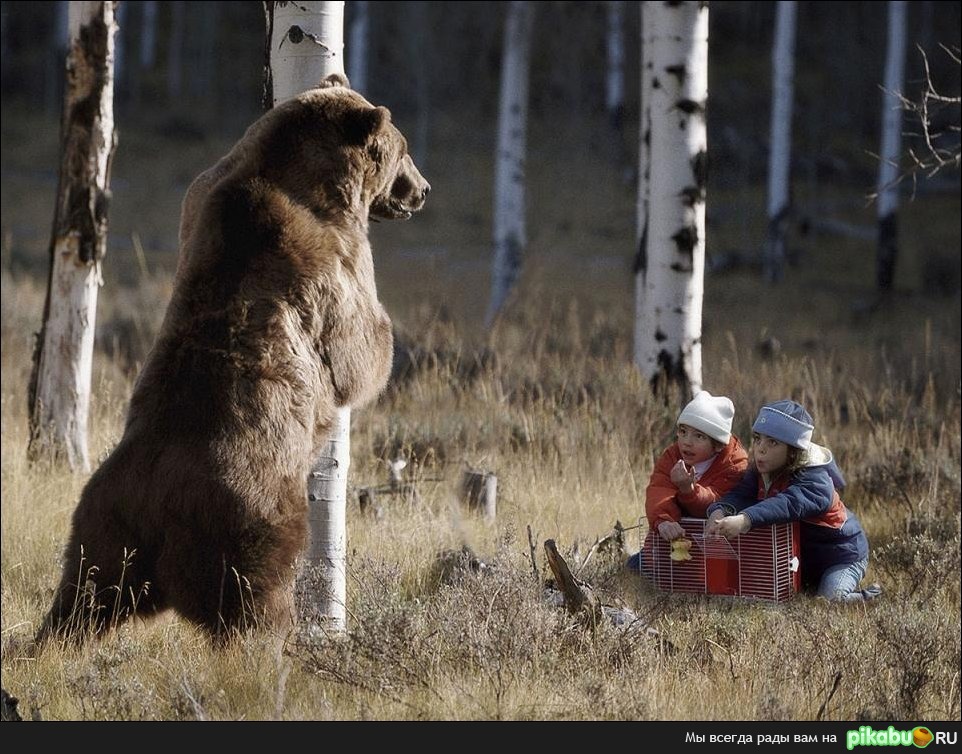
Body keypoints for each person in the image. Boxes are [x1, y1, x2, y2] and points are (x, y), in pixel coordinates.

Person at [706, 399, 882, 602]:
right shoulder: (760, 470)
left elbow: (789, 503)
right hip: (803, 558)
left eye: (772, 442)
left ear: (793, 451)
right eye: (757, 438)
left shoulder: (815, 478)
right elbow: (741, 495)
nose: (760, 449)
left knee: (829, 600)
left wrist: (745, 519)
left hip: (841, 556)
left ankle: (867, 597)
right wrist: (720, 510)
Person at [628, 390, 748, 570]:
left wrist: (689, 490)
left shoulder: (735, 464)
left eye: (698, 436)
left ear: (717, 445)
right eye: (683, 432)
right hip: (671, 544)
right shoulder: (673, 454)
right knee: (635, 567)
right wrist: (663, 519)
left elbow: (718, 505)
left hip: (714, 553)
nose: (686, 442)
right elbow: (659, 490)